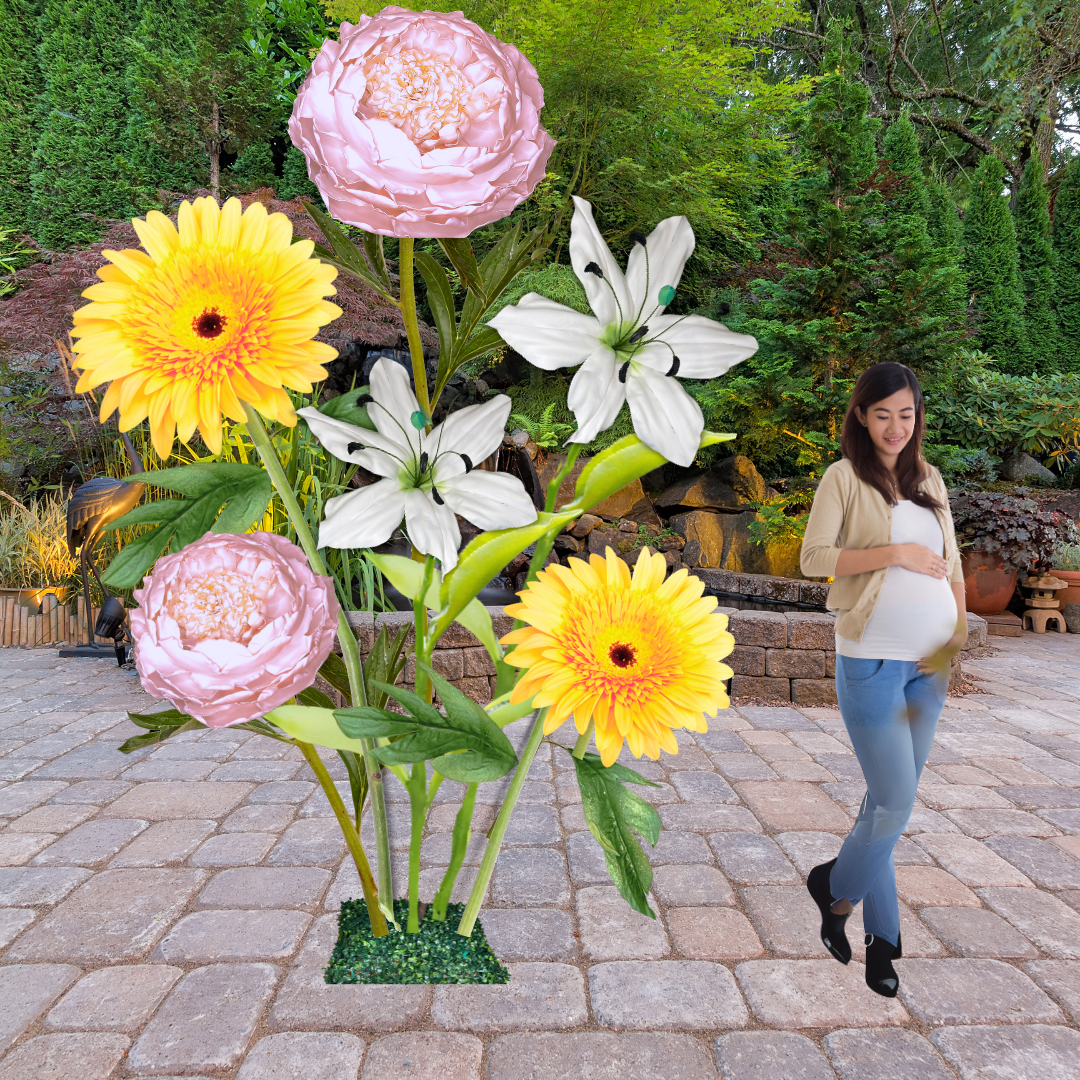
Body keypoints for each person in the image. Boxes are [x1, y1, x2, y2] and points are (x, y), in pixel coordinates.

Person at [799, 362, 967, 997]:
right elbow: (814, 560)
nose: (896, 426)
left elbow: (949, 566)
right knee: (895, 802)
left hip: (929, 670)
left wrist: (954, 639)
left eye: (906, 413)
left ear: (917, 416)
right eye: (882, 414)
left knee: (884, 807)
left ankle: (881, 943)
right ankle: (837, 894)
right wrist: (895, 553)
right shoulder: (842, 478)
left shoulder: (931, 480)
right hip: (870, 659)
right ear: (862, 418)